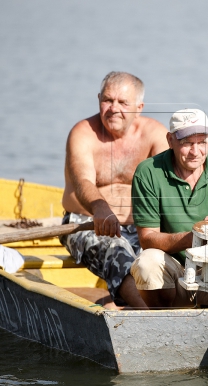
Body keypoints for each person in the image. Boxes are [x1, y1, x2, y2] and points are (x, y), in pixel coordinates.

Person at [61, 71, 169, 309]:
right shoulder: (83, 133)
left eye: (123, 102)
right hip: (87, 222)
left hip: (141, 225)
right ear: (98, 99)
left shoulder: (155, 135)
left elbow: (170, 186)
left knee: (165, 256)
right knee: (117, 250)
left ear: (139, 108)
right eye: (107, 100)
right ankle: (152, 316)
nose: (113, 108)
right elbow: (83, 182)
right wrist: (100, 207)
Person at [130, 108, 208, 308]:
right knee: (147, 263)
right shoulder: (148, 172)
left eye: (202, 143)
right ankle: (162, 317)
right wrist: (196, 238)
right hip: (174, 274)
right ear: (170, 140)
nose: (195, 152)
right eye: (187, 143)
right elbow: (147, 238)